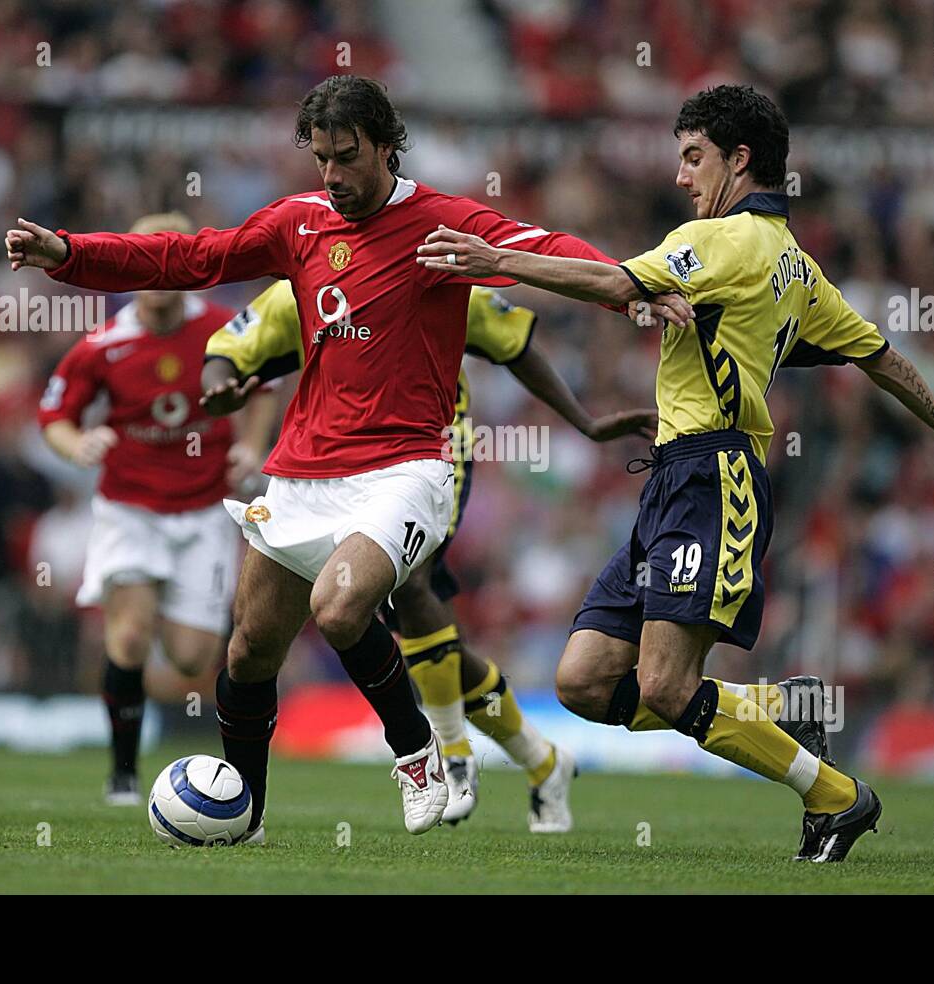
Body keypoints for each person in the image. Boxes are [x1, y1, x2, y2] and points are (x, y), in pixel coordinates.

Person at [5, 74, 691, 839]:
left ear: (387, 147)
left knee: (340, 607)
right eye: (322, 159)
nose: (333, 176)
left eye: (347, 157)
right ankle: (247, 817)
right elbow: (189, 258)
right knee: (249, 652)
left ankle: (417, 752)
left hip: (407, 468)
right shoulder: (299, 223)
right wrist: (69, 253)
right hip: (303, 469)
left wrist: (633, 288)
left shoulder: (442, 223)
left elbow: (548, 249)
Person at [417, 84, 934, 862]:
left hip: (715, 476)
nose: (681, 175)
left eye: (693, 157)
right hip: (673, 477)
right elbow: (874, 352)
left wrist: (495, 260)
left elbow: (614, 284)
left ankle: (839, 798)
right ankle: (779, 706)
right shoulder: (796, 268)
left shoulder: (724, 242)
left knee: (665, 685)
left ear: (741, 160)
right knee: (584, 682)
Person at [200, 279, 657, 830]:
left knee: (408, 588)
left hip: (429, 453)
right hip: (324, 465)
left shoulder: (435, 274)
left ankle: (450, 753)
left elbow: (514, 343)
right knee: (388, 621)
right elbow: (228, 350)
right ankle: (540, 758)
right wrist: (220, 387)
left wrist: (584, 421)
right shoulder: (303, 280)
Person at [37, 211, 278, 805]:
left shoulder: (224, 330)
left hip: (201, 513)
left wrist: (250, 445)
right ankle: (122, 775)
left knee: (194, 657)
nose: (157, 276)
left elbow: (263, 388)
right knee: (129, 636)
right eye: (144, 261)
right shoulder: (105, 345)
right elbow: (54, 416)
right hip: (130, 510)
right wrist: (79, 445)